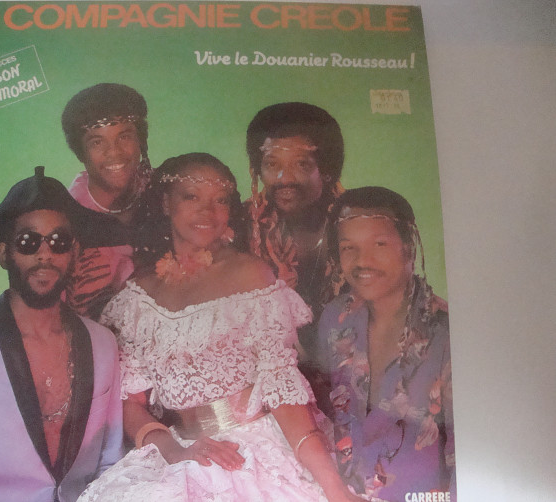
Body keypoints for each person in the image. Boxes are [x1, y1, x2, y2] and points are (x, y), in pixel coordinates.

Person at [78, 153, 363, 502]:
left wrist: (334, 490)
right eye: (192, 197)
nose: (208, 212)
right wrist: (173, 450)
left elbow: (283, 393)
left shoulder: (250, 276)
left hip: (251, 448)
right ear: (166, 203)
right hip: (181, 451)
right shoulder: (136, 297)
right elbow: (129, 402)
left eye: (220, 200)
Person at [0, 167, 126, 501]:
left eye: (58, 242)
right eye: (28, 242)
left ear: (74, 252)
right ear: (4, 254)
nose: (45, 255)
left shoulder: (103, 343)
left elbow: (111, 466)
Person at [316, 186, 455, 501]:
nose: (363, 261)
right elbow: (327, 413)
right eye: (349, 248)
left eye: (379, 244)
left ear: (409, 246)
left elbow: (466, 451)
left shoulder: (447, 332)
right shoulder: (335, 318)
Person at [244, 101, 346, 410]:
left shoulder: (358, 222)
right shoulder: (238, 226)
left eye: (301, 165)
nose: (283, 178)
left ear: (327, 170)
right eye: (271, 164)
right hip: (270, 396)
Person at [61, 83, 152, 319]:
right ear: (80, 152)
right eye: (97, 142)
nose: (114, 152)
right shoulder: (65, 220)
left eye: (124, 136)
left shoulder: (170, 193)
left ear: (141, 141)